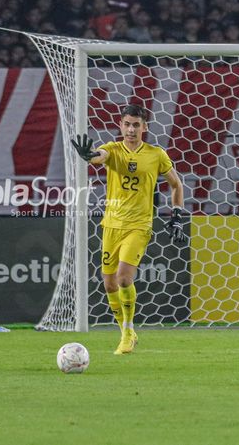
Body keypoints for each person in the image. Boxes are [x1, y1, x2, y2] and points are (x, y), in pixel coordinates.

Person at [71, 104, 185, 355]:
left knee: (124, 278)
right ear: (120, 126)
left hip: (139, 225)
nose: (131, 129)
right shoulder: (113, 149)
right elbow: (99, 155)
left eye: (136, 125)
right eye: (127, 124)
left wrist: (177, 215)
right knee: (109, 284)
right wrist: (89, 155)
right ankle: (126, 331)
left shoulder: (156, 155)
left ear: (145, 127)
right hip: (111, 225)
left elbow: (176, 184)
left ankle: (128, 330)